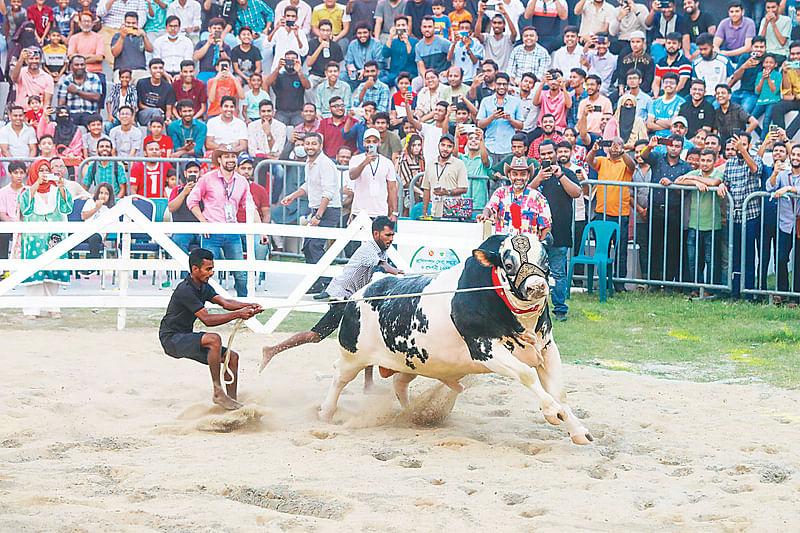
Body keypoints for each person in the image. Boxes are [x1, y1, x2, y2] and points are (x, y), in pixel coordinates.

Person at [259, 216, 402, 394]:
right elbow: (383, 266)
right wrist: (398, 273)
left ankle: (368, 384)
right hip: (342, 298)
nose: (391, 238)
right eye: (388, 235)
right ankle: (272, 350)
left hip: (352, 299)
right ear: (376, 234)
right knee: (316, 335)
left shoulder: (381, 250)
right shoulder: (369, 249)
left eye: (392, 235)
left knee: (367, 336)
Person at [160, 247, 263, 410]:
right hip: (172, 339)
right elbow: (207, 320)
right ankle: (218, 391)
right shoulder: (185, 290)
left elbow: (226, 303)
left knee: (232, 358)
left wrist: (249, 306)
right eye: (208, 269)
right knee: (213, 339)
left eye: (212, 269)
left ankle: (230, 403)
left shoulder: (203, 286)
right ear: (195, 269)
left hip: (184, 337)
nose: (211, 273)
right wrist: (239, 314)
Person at [186, 144, 254, 297]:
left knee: (240, 274)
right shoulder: (207, 178)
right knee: (205, 273)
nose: (231, 159)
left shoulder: (242, 181)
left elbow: (250, 206)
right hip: (212, 231)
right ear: (219, 159)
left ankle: (243, 306)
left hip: (232, 231)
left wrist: (260, 230)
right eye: (227, 156)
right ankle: (200, 305)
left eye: (233, 156)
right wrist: (203, 222)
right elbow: (192, 200)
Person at [280, 132, 342, 292]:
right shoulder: (309, 163)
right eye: (307, 143)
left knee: (315, 246)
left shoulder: (326, 164)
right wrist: (292, 196)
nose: (310, 147)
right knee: (307, 246)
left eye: (314, 143)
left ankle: (329, 284)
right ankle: (316, 282)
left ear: (320, 146)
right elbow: (308, 185)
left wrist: (318, 216)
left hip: (328, 210)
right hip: (316, 209)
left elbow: (328, 193)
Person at [532, 140, 581, 320]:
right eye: (542, 154)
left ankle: (560, 309)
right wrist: (538, 178)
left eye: (549, 153)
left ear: (555, 153)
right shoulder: (535, 174)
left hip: (559, 233)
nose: (546, 157)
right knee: (535, 273)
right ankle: (536, 310)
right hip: (536, 234)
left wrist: (560, 176)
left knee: (559, 274)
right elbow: (525, 193)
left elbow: (576, 193)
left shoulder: (567, 173)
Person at [19, 159, 74, 319]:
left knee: (53, 274)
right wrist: (37, 183)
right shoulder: (26, 191)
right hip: (34, 238)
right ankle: (31, 310)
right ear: (35, 172)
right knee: (34, 274)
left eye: (46, 169)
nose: (44, 173)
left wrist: (62, 187)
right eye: (40, 170)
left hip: (54, 237)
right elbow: (25, 208)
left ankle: (53, 307)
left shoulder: (56, 190)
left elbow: (67, 207)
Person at [639, 133, 692, 284]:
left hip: (674, 210)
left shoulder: (686, 167)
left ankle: (669, 282)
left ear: (682, 148)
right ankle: (654, 281)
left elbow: (686, 191)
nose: (674, 149)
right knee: (654, 246)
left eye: (677, 146)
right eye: (671, 145)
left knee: (672, 248)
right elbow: (643, 156)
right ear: (666, 145)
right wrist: (650, 145)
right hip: (655, 209)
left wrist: (673, 184)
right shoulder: (658, 158)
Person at [586, 135, 635, 289]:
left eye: (618, 145)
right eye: (612, 145)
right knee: (603, 248)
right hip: (602, 212)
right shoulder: (602, 161)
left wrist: (622, 153)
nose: (614, 147)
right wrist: (594, 150)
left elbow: (632, 166)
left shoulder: (625, 162)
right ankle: (603, 281)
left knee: (621, 250)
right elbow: (589, 161)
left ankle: (619, 283)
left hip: (621, 213)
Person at [718, 132, 761, 299]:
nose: (738, 147)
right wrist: (722, 185)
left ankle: (749, 292)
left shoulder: (754, 159)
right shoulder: (730, 163)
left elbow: (755, 170)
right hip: (733, 216)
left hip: (750, 216)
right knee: (734, 255)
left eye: (742, 143)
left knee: (749, 255)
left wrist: (743, 151)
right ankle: (735, 292)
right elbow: (726, 181)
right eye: (736, 144)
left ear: (748, 145)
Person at [673, 148, 723, 289]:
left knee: (711, 260)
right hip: (694, 224)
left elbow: (714, 183)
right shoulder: (695, 172)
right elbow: (677, 181)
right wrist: (695, 183)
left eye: (708, 160)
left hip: (712, 225)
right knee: (693, 259)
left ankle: (711, 289)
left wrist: (694, 179)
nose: (705, 164)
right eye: (703, 160)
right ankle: (696, 288)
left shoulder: (718, 173)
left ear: (715, 161)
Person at [477, 156, 551, 239]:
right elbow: (489, 208)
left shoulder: (538, 198)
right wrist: (485, 215)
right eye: (515, 174)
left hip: (528, 248)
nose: (518, 178)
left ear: (528, 176)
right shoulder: (500, 192)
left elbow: (546, 227)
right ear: (509, 175)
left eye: (523, 174)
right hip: (504, 247)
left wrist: (541, 247)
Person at [766, 144, 800, 298]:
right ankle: (782, 292)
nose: (795, 158)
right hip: (784, 223)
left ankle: (796, 295)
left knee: (798, 262)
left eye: (798, 155)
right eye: (793, 154)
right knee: (781, 259)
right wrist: (774, 173)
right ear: (789, 156)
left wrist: (787, 189)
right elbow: (769, 187)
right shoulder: (783, 173)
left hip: (799, 224)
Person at [347, 128, 399, 220]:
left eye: (374, 141)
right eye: (368, 141)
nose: (371, 144)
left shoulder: (387, 162)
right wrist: (365, 162)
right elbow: (352, 176)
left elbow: (392, 188)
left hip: (380, 211)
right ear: (364, 143)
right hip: (359, 211)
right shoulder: (356, 159)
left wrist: (394, 212)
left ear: (379, 143)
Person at [476, 73, 523, 162]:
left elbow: (521, 126)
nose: (501, 87)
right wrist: (492, 117)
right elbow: (480, 124)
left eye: (504, 84)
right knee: (489, 174)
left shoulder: (516, 102)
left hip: (508, 147)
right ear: (494, 84)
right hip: (490, 146)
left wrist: (510, 119)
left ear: (508, 85)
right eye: (499, 84)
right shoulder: (486, 101)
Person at [421, 133, 468, 217]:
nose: (445, 149)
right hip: (435, 211)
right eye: (443, 145)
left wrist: (447, 192)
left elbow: (464, 189)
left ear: (453, 148)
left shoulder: (459, 164)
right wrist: (424, 212)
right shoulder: (431, 163)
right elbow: (426, 189)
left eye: (449, 146)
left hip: (453, 211)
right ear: (438, 146)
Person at [264, 50, 311, 125]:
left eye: (292, 59)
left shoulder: (301, 75)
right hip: (281, 112)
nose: (290, 61)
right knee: (278, 132)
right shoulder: (279, 75)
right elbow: (267, 83)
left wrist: (299, 71)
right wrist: (278, 68)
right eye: (288, 59)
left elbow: (308, 86)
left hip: (298, 112)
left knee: (300, 133)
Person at [57, 55, 104, 126]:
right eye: (76, 65)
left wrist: (77, 91)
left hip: (90, 113)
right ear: (71, 67)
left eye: (82, 65)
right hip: (72, 114)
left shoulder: (94, 78)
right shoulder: (66, 80)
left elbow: (96, 97)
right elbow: (61, 103)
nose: (80, 67)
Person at [168, 160, 203, 255]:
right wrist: (184, 192)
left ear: (200, 173)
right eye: (190, 172)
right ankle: (186, 269)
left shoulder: (205, 189)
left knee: (210, 243)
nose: (193, 174)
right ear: (185, 174)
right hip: (182, 228)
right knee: (178, 242)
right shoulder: (177, 189)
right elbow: (171, 208)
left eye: (195, 172)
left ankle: (202, 269)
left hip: (201, 229)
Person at [770, 42, 800, 139]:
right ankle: (778, 137)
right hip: (796, 98)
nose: (795, 57)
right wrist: (785, 73)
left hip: (796, 98)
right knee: (776, 107)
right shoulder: (789, 68)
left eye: (798, 53)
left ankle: (786, 137)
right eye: (793, 54)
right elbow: (786, 94)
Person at [111, 11, 153, 80]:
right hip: (122, 71)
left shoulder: (141, 36)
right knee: (119, 84)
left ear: (137, 24)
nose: (131, 25)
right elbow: (115, 53)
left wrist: (144, 36)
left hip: (140, 70)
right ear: (124, 23)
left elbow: (150, 49)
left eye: (133, 23)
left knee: (147, 82)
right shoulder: (117, 36)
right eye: (128, 23)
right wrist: (122, 37)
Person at [267, 5, 310, 72]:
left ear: (296, 18)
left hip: (294, 69)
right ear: (284, 17)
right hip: (278, 68)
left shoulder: (300, 32)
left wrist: (297, 36)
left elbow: (304, 52)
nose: (290, 18)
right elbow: (267, 45)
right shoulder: (278, 30)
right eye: (288, 16)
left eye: (293, 16)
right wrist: (276, 28)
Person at [80, 182, 115, 262]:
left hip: (98, 235)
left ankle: (92, 266)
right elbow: (83, 216)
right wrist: (96, 208)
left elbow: (109, 228)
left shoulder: (110, 209)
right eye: (101, 193)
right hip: (85, 233)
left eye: (106, 194)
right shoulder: (90, 202)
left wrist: (104, 240)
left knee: (95, 238)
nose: (103, 195)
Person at [713, 1, 755, 66]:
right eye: (731, 12)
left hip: (741, 53)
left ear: (743, 12)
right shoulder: (724, 23)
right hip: (727, 51)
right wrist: (718, 52)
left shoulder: (749, 23)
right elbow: (715, 44)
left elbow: (748, 48)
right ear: (728, 13)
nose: (734, 14)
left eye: (737, 11)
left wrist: (727, 53)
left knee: (746, 56)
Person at [0, 162, 27, 264]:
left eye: (21, 173)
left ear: (25, 174)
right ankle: (3, 268)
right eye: (16, 173)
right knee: (2, 235)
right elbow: (2, 214)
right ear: (10, 174)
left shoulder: (28, 191)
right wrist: (14, 225)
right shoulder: (3, 192)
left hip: (26, 224)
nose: (19, 176)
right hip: (9, 225)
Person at [308, 20, 347, 90]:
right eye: (323, 30)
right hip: (315, 75)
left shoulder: (335, 46)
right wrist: (320, 47)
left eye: (328, 30)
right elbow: (309, 63)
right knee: (308, 88)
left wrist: (331, 75)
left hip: (329, 75)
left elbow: (338, 64)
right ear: (319, 31)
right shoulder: (312, 43)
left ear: (331, 32)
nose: (325, 33)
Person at [647, 72, 685, 137]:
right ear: (662, 85)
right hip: (656, 137)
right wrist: (667, 126)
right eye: (666, 82)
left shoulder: (681, 102)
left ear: (677, 85)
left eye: (672, 83)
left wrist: (657, 121)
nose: (668, 85)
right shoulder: (655, 102)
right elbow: (649, 124)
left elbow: (672, 123)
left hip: (673, 138)